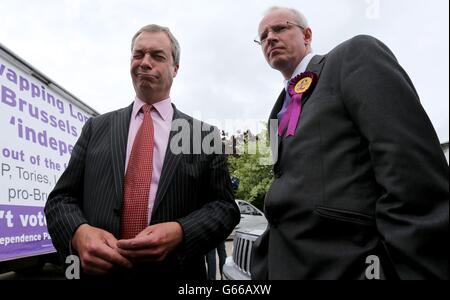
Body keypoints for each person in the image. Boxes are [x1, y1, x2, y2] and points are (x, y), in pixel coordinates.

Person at [251, 6, 449, 279]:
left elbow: (411, 170)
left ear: (307, 35)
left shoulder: (352, 57)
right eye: (262, 36)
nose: (270, 38)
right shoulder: (277, 112)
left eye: (280, 28)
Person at [44, 24, 240, 279]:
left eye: (157, 56)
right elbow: (61, 199)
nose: (145, 62)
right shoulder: (96, 128)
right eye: (138, 55)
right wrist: (79, 233)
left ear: (175, 68)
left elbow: (225, 207)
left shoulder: (203, 135)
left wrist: (182, 231)